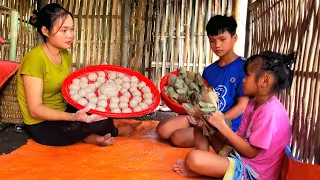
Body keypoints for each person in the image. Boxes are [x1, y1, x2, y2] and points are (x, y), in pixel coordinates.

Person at [17, 3, 133, 147]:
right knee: (91, 123)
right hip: (42, 124)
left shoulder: (64, 54)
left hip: (62, 111)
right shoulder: (35, 59)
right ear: (45, 31)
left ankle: (91, 137)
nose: (70, 35)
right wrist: (73, 117)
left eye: (72, 29)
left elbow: (68, 88)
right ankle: (109, 132)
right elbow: (35, 110)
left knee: (101, 114)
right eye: (64, 30)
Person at [173, 51, 295, 180]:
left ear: (265, 81)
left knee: (194, 158)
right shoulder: (253, 104)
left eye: (247, 75)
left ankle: (201, 166)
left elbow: (251, 152)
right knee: (201, 128)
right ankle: (202, 168)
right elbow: (238, 138)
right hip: (242, 158)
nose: (243, 79)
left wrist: (222, 125)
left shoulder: (270, 112)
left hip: (253, 173)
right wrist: (212, 126)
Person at [156, 15, 249, 147]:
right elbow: (201, 99)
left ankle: (211, 140)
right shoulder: (209, 70)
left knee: (177, 138)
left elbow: (242, 107)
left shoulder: (244, 68)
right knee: (162, 130)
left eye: (222, 39)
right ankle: (202, 135)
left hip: (227, 125)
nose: (217, 45)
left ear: (234, 38)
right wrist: (195, 114)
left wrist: (218, 122)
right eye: (212, 40)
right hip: (204, 119)